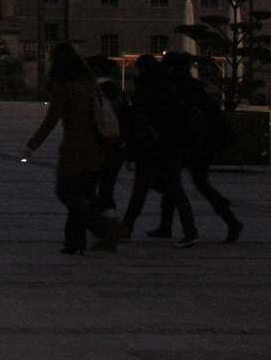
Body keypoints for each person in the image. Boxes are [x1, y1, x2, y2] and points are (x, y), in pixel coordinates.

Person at [25, 43, 119, 254]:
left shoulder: (65, 86)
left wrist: (32, 145)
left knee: (67, 193)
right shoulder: (90, 83)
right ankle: (75, 241)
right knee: (83, 193)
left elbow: (51, 119)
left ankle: (102, 231)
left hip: (75, 148)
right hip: (97, 147)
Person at [155, 53, 244, 243]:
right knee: (184, 183)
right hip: (200, 142)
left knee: (183, 183)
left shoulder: (178, 86)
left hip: (191, 143)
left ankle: (228, 219)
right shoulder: (192, 85)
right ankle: (166, 225)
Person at [119, 54, 199, 246]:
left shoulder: (144, 88)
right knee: (175, 188)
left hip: (150, 147)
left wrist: (130, 149)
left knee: (140, 189)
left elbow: (137, 122)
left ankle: (126, 228)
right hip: (170, 145)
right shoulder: (169, 87)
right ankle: (190, 230)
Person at [89, 56, 129, 221]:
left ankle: (105, 221)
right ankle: (109, 215)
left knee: (89, 186)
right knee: (107, 185)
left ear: (96, 71)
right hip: (118, 144)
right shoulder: (118, 91)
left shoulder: (95, 90)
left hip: (100, 144)